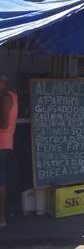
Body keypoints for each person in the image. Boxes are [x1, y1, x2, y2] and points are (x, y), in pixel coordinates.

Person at [0, 72, 18, 227]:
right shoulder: (10, 95)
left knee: (1, 183)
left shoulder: (5, 98)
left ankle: (1, 219)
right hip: (5, 144)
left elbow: (4, 124)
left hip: (2, 144)